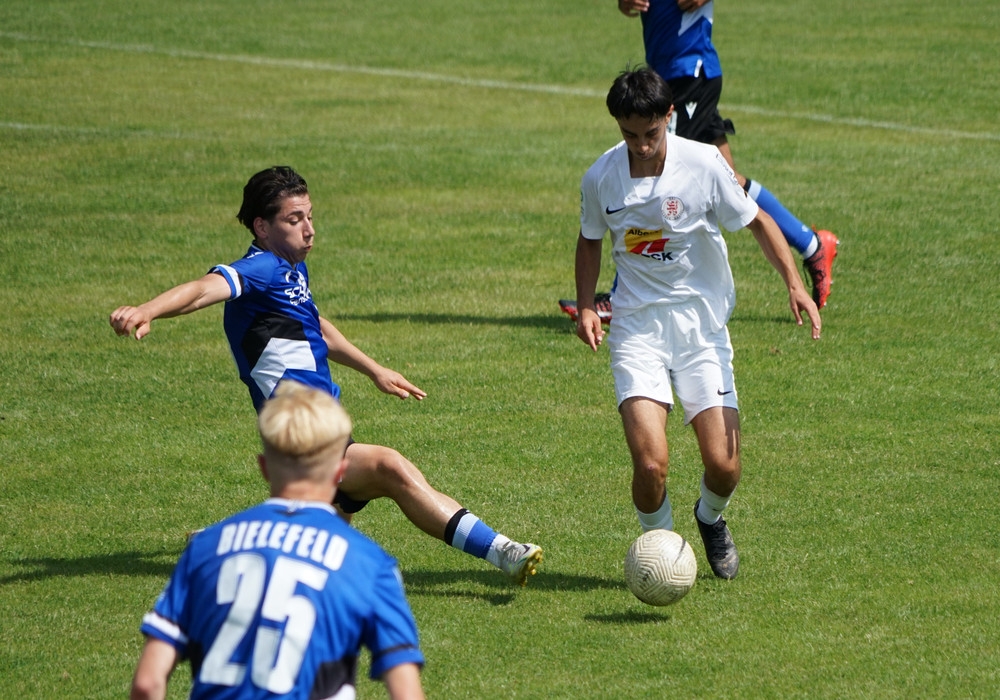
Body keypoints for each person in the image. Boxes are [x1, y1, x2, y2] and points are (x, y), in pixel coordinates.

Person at [110, 166, 542, 586]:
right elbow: (204, 289)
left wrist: (374, 370)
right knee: (391, 467)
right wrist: (148, 310)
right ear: (262, 226)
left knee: (312, 548)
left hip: (326, 425)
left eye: (310, 216)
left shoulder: (290, 270)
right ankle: (503, 552)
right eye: (294, 220)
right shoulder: (260, 270)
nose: (309, 229)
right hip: (303, 441)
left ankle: (224, 546)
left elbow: (313, 326)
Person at [574, 68, 821, 579]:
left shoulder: (704, 164)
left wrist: (794, 284)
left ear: (670, 116)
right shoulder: (601, 176)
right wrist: (585, 306)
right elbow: (590, 239)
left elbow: (758, 221)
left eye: (651, 133)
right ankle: (663, 549)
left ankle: (709, 518)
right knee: (650, 464)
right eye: (629, 134)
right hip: (637, 329)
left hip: (701, 329)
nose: (642, 146)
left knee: (724, 466)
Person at [130, 380, 425, 700]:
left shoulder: (205, 548)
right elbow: (406, 692)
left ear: (264, 467)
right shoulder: (369, 564)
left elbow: (147, 683)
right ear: (341, 471)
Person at [617, 0, 839, 309]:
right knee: (729, 179)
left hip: (689, 70)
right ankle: (812, 245)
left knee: (659, 172)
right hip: (666, 74)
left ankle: (621, 293)